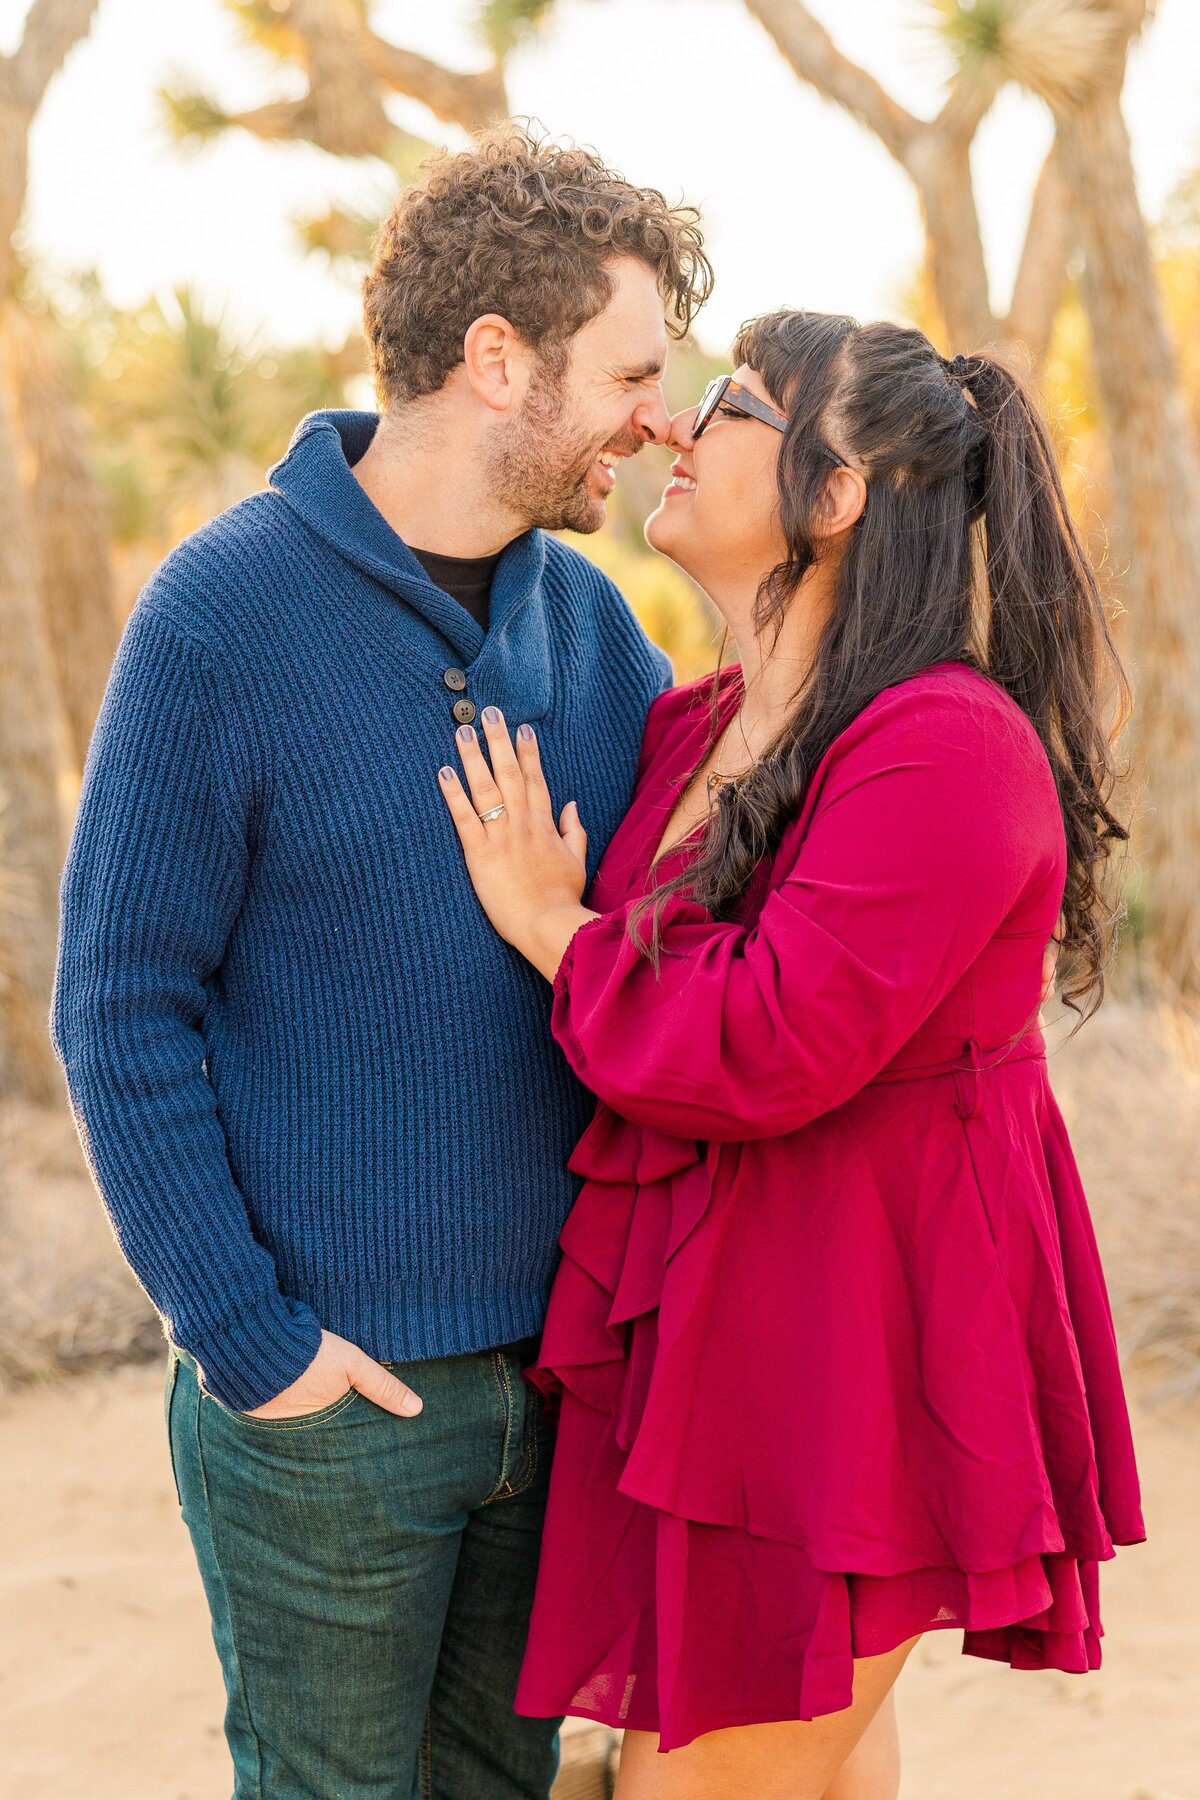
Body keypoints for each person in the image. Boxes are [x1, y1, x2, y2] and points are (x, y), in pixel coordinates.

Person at [49, 126, 712, 1799]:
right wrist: (252, 1341)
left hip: (552, 1392)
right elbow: (121, 1009)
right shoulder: (219, 615)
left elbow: (703, 925)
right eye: (633, 370)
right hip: (332, 1415)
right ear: (500, 361)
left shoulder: (589, 625)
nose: (658, 417)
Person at [437, 309, 1146, 1800]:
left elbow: (760, 1040)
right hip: (738, 1327)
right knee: (798, 1761)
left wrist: (550, 925)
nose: (682, 429)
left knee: (693, 1775)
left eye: (733, 406)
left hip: (860, 1348)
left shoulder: (947, 745)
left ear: (839, 498)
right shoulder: (698, 726)